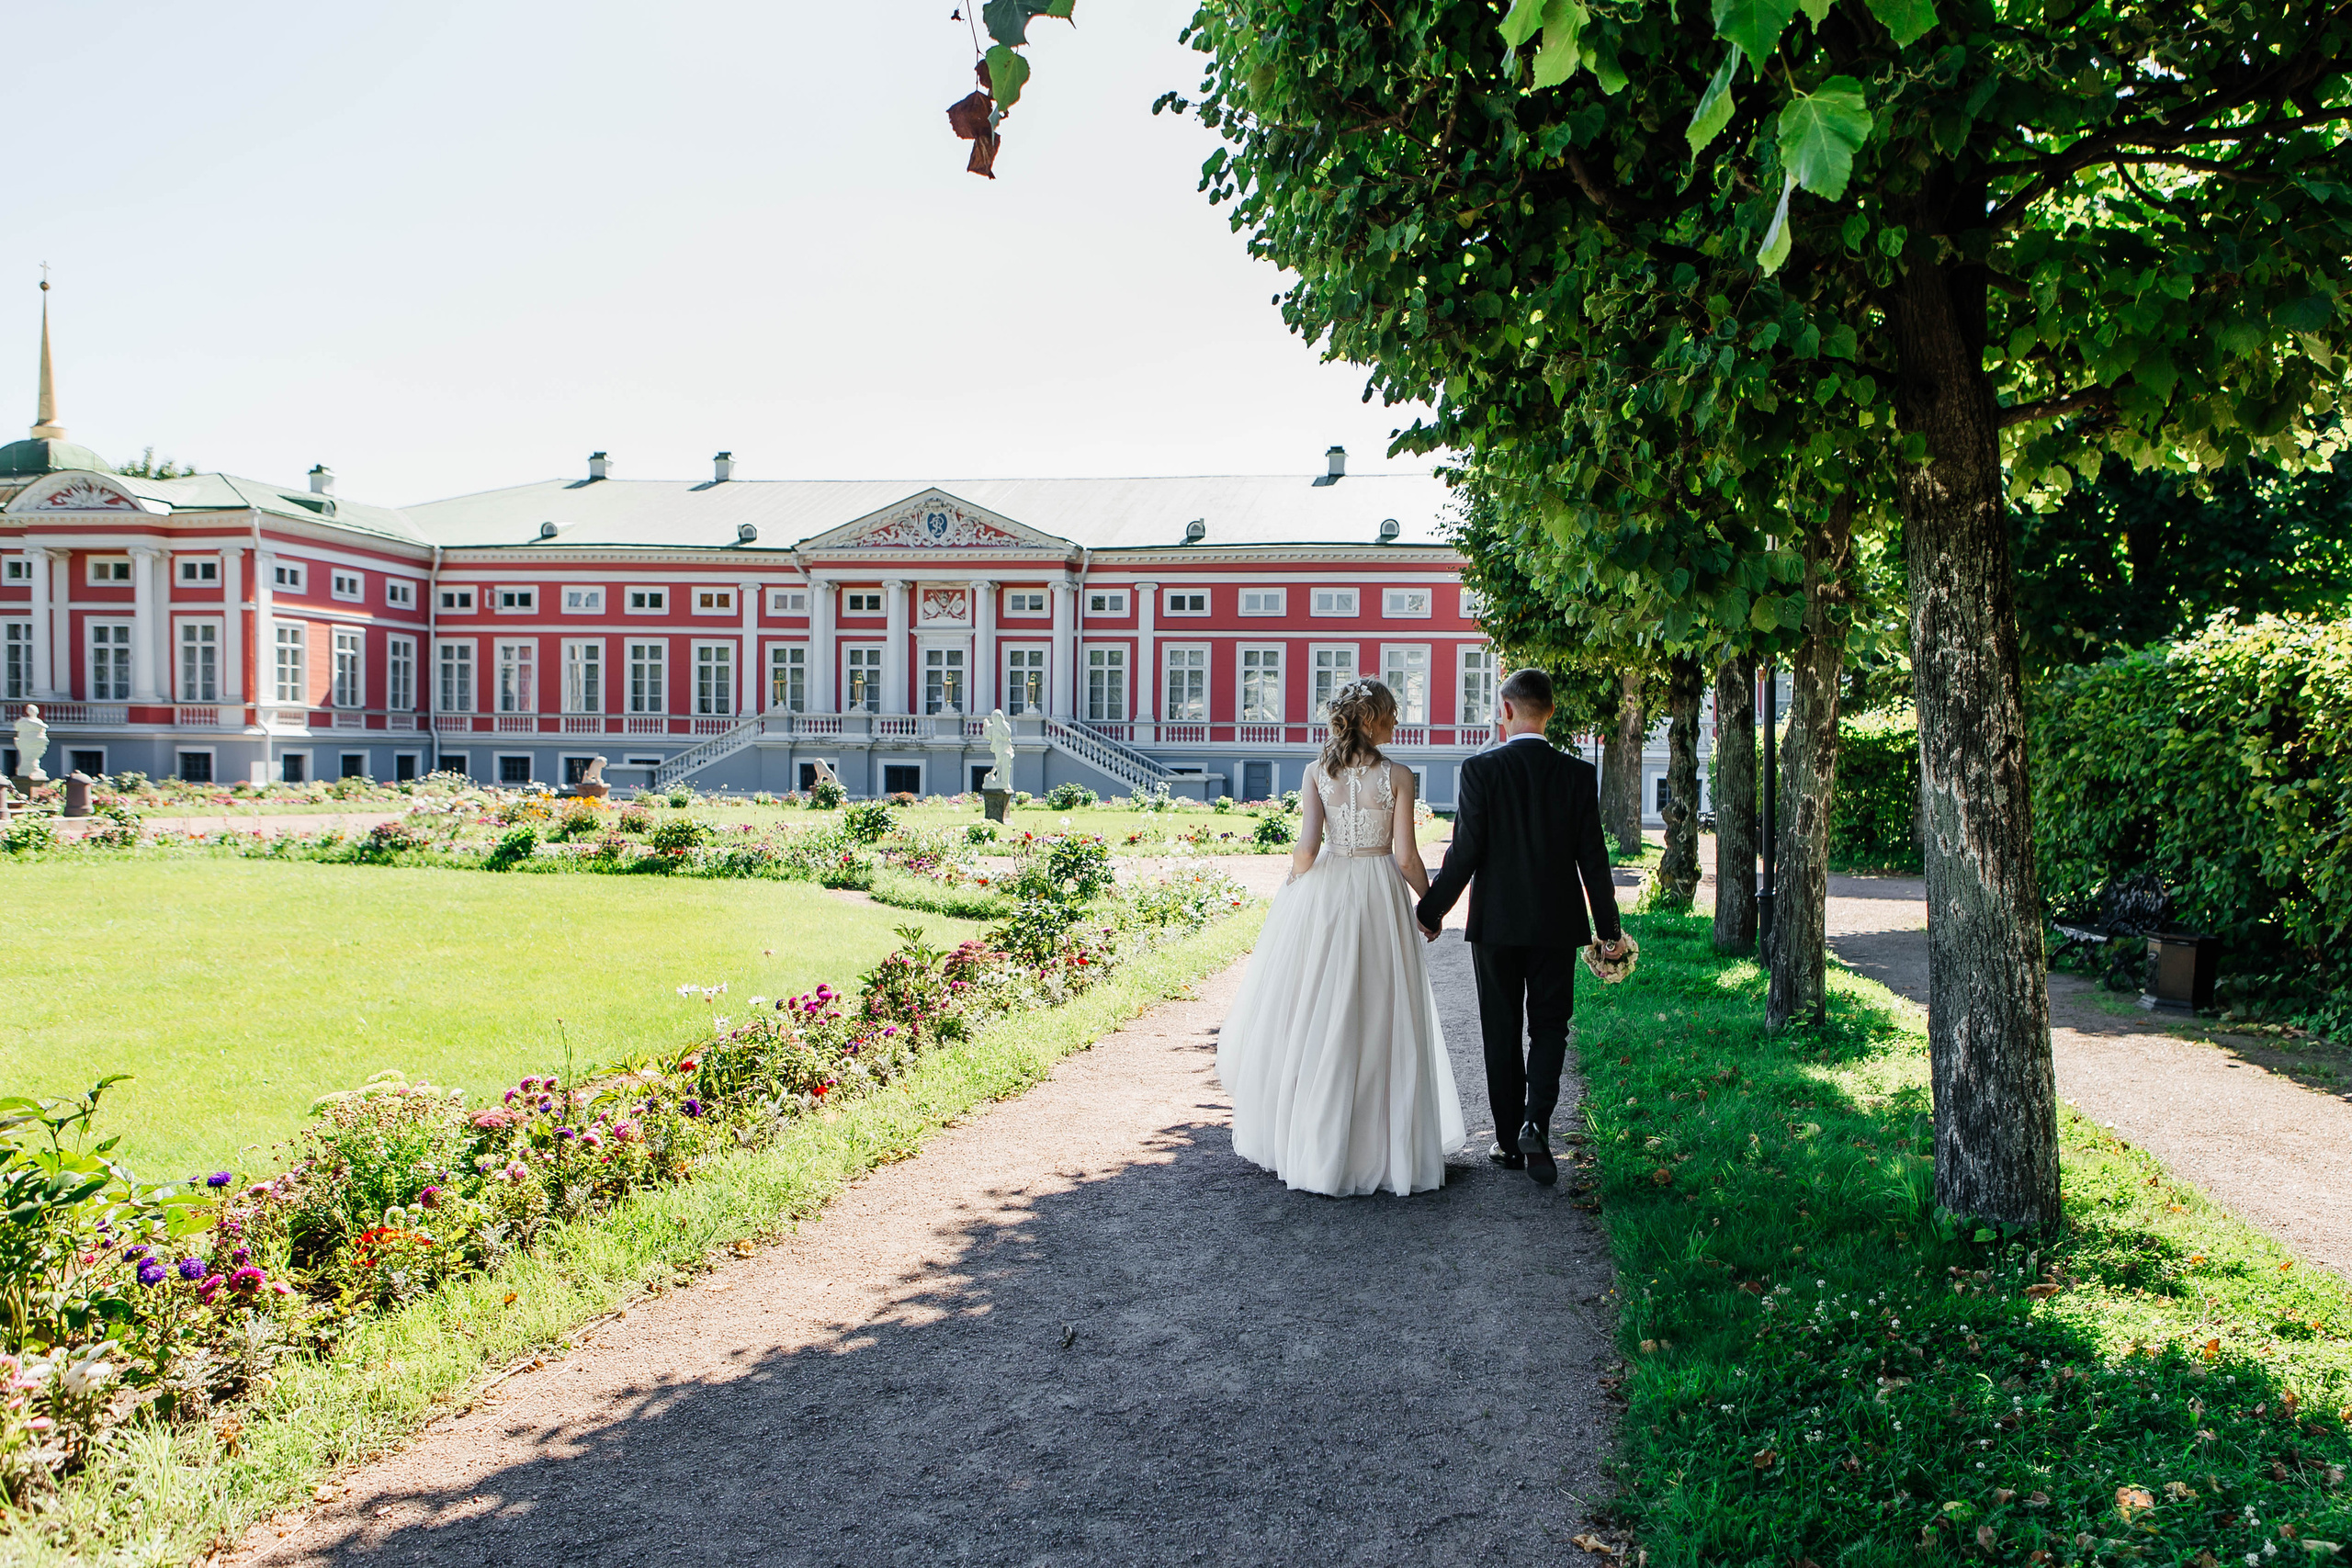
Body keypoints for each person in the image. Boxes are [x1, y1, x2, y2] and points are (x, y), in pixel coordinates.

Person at [1216, 679, 1465, 1196]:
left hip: (1329, 893)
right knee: (1382, 1011)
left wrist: (1293, 883)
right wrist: (1431, 903)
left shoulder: (1316, 772)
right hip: (1378, 892)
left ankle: (1321, 1141)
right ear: (1373, 720)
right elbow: (1404, 857)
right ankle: (1383, 1147)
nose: (1398, 724)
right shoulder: (1398, 775)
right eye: (1393, 715)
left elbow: (1306, 849)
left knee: (1324, 1009)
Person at [1417, 668, 1628, 1187]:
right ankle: (1539, 1121)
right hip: (1557, 927)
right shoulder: (1577, 775)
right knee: (1551, 1026)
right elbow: (1593, 862)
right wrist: (1608, 931)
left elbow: (1464, 852)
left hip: (1496, 926)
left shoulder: (1480, 770)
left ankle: (1510, 1142)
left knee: (1502, 1029)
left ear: (1506, 711)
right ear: (1550, 713)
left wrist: (1430, 912)